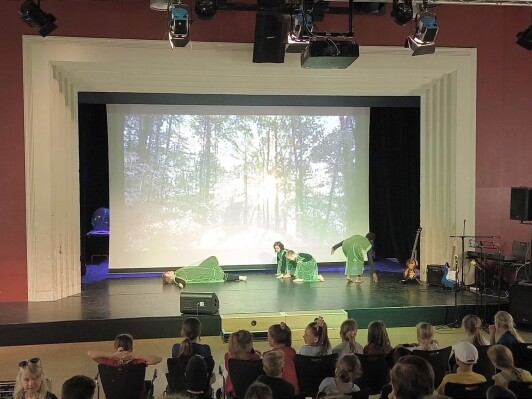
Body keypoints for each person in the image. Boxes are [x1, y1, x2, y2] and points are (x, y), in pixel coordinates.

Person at [162, 256, 247, 288]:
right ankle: (240, 277)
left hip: (200, 269)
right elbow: (182, 282)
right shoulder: (177, 278)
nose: (170, 271)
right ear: (170, 278)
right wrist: (180, 285)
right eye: (168, 273)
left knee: (212, 259)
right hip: (201, 274)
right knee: (220, 275)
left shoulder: (177, 272)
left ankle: (239, 277)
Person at [224, 330, 262, 397]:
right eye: (251, 343)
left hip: (232, 391)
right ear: (247, 346)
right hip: (251, 392)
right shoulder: (255, 357)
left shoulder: (228, 356)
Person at [263, 322, 299, 393]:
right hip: (295, 393)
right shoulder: (292, 352)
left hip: (279, 392)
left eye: (268, 337)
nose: (268, 339)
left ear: (273, 340)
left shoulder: (268, 355)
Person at [87, 333, 162, 366]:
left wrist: (112, 355)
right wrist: (134, 357)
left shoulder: (109, 362)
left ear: (115, 348)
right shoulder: (137, 362)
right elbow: (158, 359)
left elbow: (90, 354)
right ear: (131, 349)